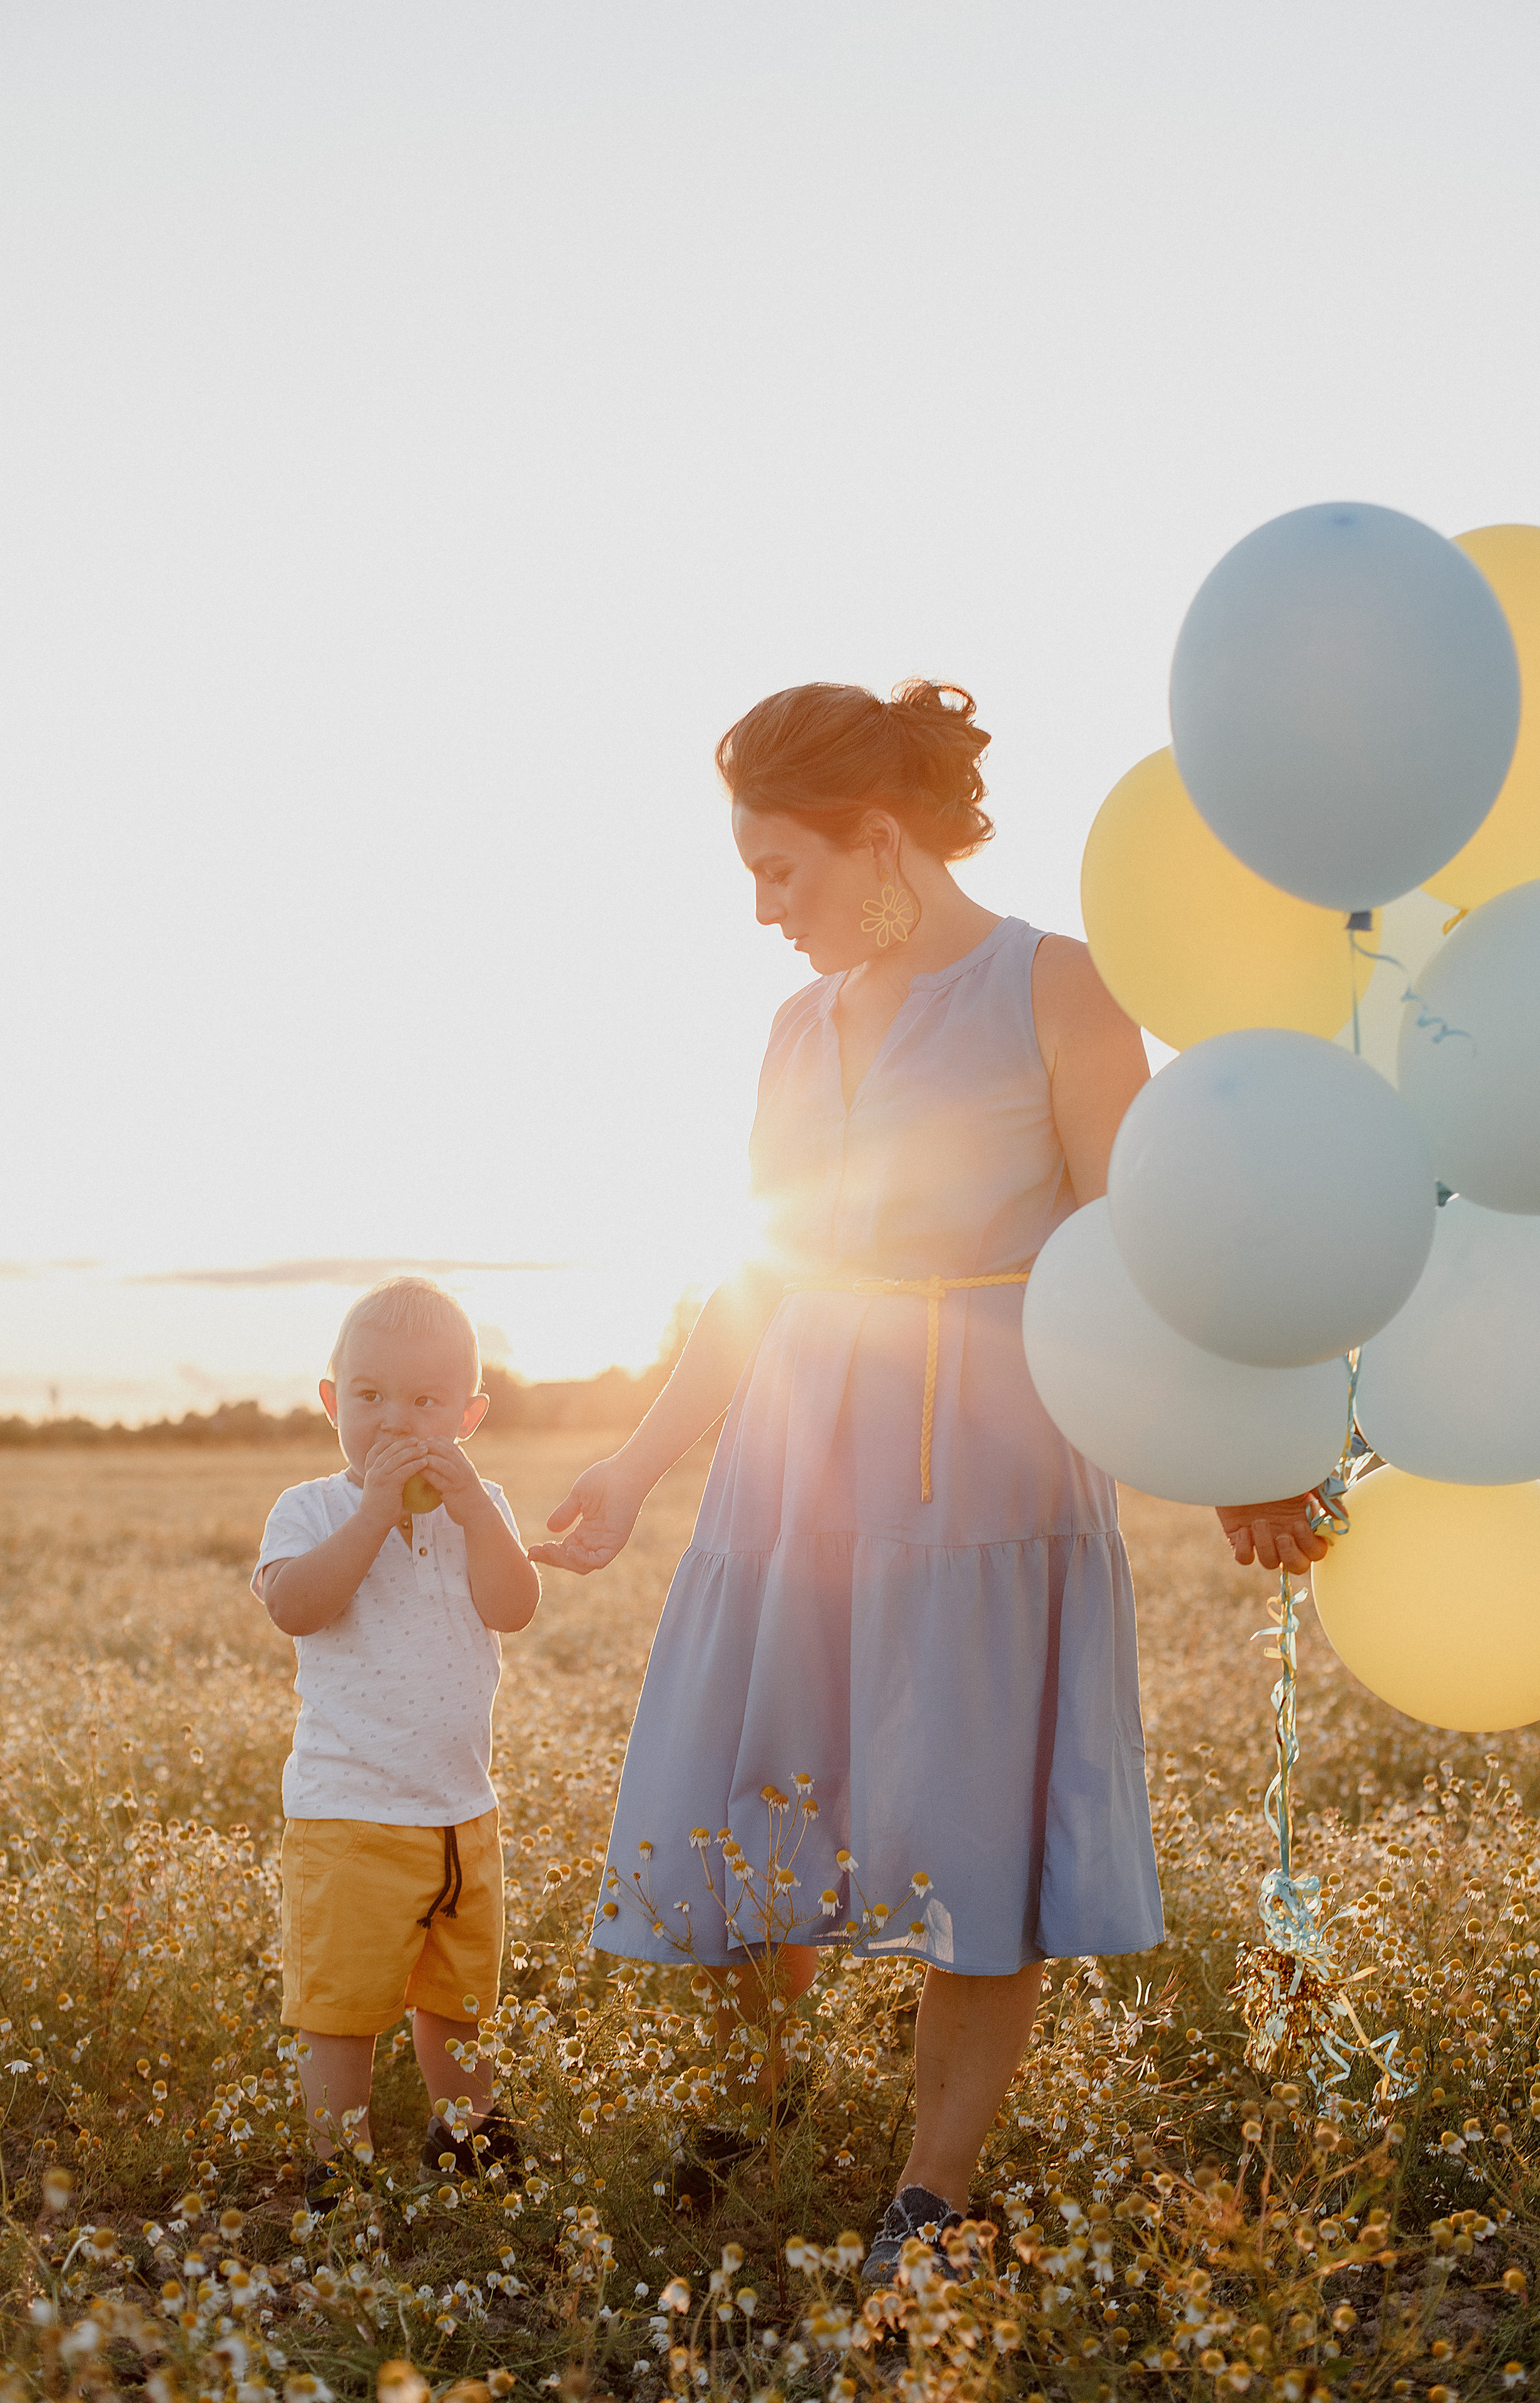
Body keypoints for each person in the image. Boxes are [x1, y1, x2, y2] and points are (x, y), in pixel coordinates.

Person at [531, 680, 1325, 2279]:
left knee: (974, 1833)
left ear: (877, 839)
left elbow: (1138, 1254)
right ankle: (749, 2108)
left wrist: (1240, 1460)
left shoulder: (1059, 985)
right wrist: (630, 1468)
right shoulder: (793, 1028)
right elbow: (754, 1278)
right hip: (790, 1474)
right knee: (759, 1799)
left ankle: (931, 2190)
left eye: (781, 872)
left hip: (989, 1477)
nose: (763, 910)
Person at [253, 1275, 540, 2212]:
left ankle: (467, 2134)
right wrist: (376, 1509)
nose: (395, 1421)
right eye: (370, 1395)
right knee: (342, 2007)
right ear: (332, 1401)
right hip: (350, 1813)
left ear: (469, 1417)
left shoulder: (482, 1504)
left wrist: (477, 1512)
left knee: (460, 1996)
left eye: (424, 1401)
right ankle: (340, 2166)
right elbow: (297, 1606)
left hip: (462, 1808)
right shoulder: (310, 1508)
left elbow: (514, 1606)